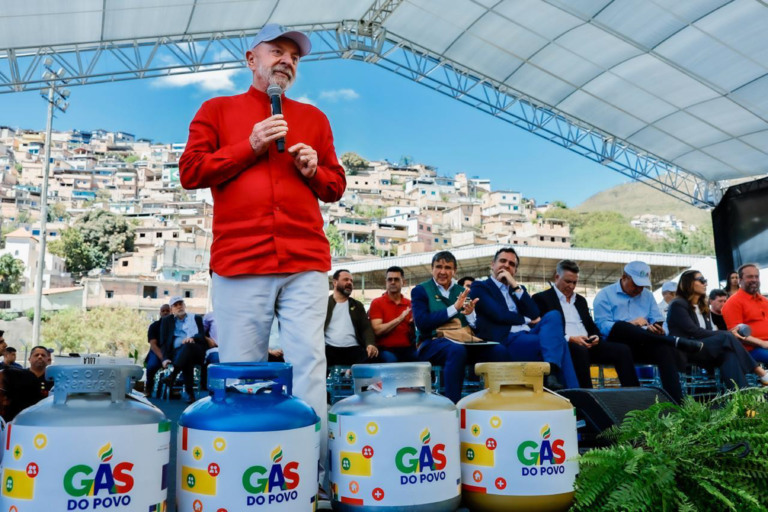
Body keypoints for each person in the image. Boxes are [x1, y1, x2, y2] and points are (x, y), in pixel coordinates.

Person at [179, 23, 345, 480]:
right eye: (277, 51)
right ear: (251, 59)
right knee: (241, 369)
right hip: (241, 260)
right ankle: (244, 473)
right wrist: (249, 145)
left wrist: (313, 171)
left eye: (294, 56)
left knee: (310, 364)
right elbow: (190, 172)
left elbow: (335, 186)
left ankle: (313, 475)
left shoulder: (314, 119)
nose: (286, 60)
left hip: (305, 260)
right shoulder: (217, 109)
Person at [593, 261, 703, 403]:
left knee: (665, 349)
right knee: (621, 327)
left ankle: (677, 402)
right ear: (624, 277)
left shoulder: (647, 295)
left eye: (642, 285)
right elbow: (603, 326)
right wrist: (631, 324)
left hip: (644, 342)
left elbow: (657, 319)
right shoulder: (605, 295)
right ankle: (637, 400)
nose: (639, 289)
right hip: (617, 340)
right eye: (636, 284)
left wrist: (655, 328)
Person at [472, 248, 578, 389]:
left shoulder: (518, 289)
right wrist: (525, 320)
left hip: (527, 335)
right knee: (560, 343)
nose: (506, 266)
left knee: (554, 315)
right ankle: (572, 393)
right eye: (502, 261)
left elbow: (535, 314)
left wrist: (514, 285)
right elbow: (499, 314)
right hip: (506, 338)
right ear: (493, 264)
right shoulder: (480, 287)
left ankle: (553, 371)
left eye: (511, 264)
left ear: (515, 271)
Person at [411, 251, 510, 403]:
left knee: (499, 350)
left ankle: (496, 401)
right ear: (432, 268)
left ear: (454, 271)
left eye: (448, 268)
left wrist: (470, 315)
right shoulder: (420, 290)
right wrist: (454, 309)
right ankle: (453, 406)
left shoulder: (461, 291)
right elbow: (422, 323)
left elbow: (474, 329)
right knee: (456, 350)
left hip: (462, 342)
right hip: (431, 343)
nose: (443, 272)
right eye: (438, 267)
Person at [533, 260, 639, 389]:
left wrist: (596, 336)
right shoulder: (542, 298)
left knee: (622, 350)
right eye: (568, 281)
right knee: (579, 350)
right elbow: (545, 329)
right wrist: (570, 338)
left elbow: (590, 325)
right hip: (566, 344)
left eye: (575, 282)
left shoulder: (580, 300)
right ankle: (587, 395)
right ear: (557, 277)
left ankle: (633, 392)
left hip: (588, 343)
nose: (571, 286)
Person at [667, 270, 768, 388]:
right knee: (727, 337)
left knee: (729, 354)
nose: (705, 284)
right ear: (689, 283)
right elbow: (694, 332)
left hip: (706, 349)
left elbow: (710, 332)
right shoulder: (678, 305)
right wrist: (728, 333)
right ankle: (761, 372)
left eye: (705, 281)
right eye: (701, 280)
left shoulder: (703, 307)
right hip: (688, 349)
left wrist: (727, 334)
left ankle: (741, 399)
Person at [159, 297, 213, 403]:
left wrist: (192, 338)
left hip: (196, 350)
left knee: (188, 347)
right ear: (172, 309)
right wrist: (164, 358)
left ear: (184, 305)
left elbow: (201, 336)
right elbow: (163, 342)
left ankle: (173, 376)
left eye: (181, 304)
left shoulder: (196, 318)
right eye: (176, 305)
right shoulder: (167, 321)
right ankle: (190, 394)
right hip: (177, 353)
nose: (179, 306)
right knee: (187, 358)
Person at [324, 270, 377, 366]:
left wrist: (370, 344)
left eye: (351, 281)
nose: (349, 282)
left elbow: (366, 328)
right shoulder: (324, 304)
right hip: (330, 349)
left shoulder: (357, 305)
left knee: (373, 357)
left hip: (354, 348)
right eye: (345, 279)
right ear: (335, 283)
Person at [721, 263, 768, 365]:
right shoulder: (733, 302)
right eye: (750, 277)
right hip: (750, 350)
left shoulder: (764, 301)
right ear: (740, 280)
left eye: (756, 276)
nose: (754, 280)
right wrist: (763, 343)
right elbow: (736, 334)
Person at [368, 266, 416, 363]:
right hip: (384, 349)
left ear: (403, 282)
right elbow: (377, 330)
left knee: (425, 358)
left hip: (407, 348)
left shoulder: (410, 304)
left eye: (396, 279)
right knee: (391, 360)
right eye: (390, 279)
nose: (393, 282)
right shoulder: (377, 303)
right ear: (386, 282)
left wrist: (413, 324)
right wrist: (399, 319)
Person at [145, 303, 171, 397]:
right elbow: (153, 345)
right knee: (152, 365)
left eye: (167, 311)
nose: (165, 313)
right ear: (160, 313)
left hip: (172, 352)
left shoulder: (176, 325)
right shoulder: (154, 326)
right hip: (157, 352)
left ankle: (175, 389)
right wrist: (163, 358)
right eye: (163, 311)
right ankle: (148, 388)